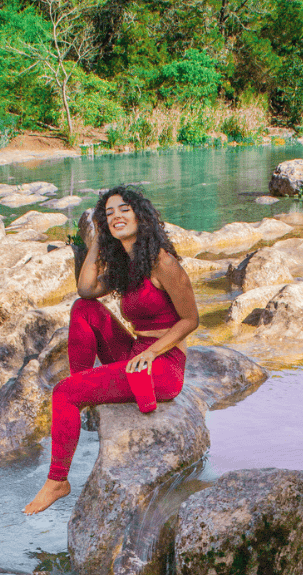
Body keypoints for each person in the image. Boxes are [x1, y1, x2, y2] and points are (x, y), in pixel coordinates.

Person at [24, 186, 199, 514]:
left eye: (124, 209)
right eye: (109, 214)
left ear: (140, 215)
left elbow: (191, 320)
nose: (117, 216)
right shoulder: (127, 264)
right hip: (135, 352)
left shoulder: (163, 262)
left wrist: (151, 352)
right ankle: (85, 390)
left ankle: (57, 481)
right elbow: (86, 289)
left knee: (63, 393)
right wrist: (96, 244)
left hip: (163, 364)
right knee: (83, 309)